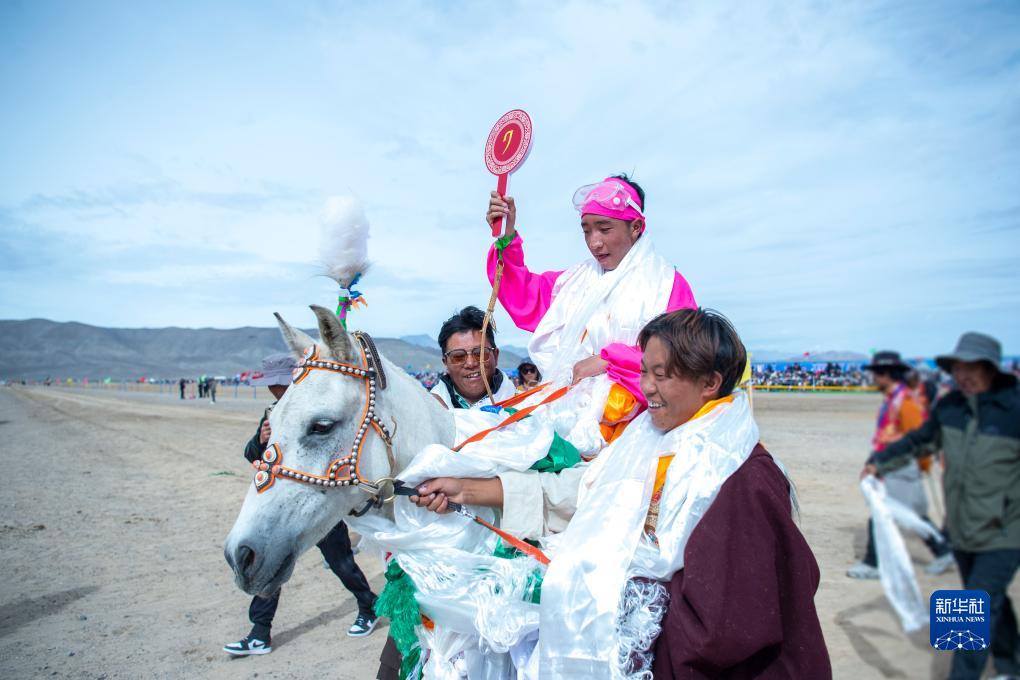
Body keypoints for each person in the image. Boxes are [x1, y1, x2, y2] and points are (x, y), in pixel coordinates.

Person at [413, 309, 830, 677]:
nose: (646, 387)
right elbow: (583, 493)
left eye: (661, 375)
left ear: (710, 383)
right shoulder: (647, 437)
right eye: (644, 371)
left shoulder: (739, 474)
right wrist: (466, 489)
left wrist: (619, 607)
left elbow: (726, 627)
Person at [486, 174, 696, 444]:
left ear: (636, 227)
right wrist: (507, 235)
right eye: (586, 230)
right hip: (564, 417)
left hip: (639, 430)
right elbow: (525, 295)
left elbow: (685, 355)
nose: (594, 242)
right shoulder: (572, 284)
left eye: (604, 229)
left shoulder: (666, 285)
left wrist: (608, 361)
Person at [866, 332, 1020, 680]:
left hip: (1006, 530)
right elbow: (921, 440)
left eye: (971, 368)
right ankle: (1010, 665)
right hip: (962, 526)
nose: (962, 375)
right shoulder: (951, 408)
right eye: (957, 367)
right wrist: (879, 462)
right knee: (990, 598)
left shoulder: (1014, 409)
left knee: (973, 608)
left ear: (991, 369)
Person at [224, 353, 379, 657]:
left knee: (341, 563)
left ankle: (368, 604)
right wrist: (261, 439)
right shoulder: (274, 413)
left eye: (280, 383)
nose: (275, 389)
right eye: (272, 384)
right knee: (269, 563)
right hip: (283, 506)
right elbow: (252, 453)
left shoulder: (315, 411)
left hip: (315, 503)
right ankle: (259, 633)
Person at [847, 351, 953, 579]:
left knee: (883, 513)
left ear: (887, 374)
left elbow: (919, 438)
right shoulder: (893, 399)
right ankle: (943, 550)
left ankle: (873, 563)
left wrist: (920, 465)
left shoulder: (906, 402)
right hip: (889, 465)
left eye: (876, 374)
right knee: (912, 515)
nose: (873, 378)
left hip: (900, 467)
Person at [429, 306, 517, 409]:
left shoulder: (525, 407)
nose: (471, 363)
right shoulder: (426, 410)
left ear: (495, 356)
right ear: (446, 363)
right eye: (458, 356)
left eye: (480, 353)